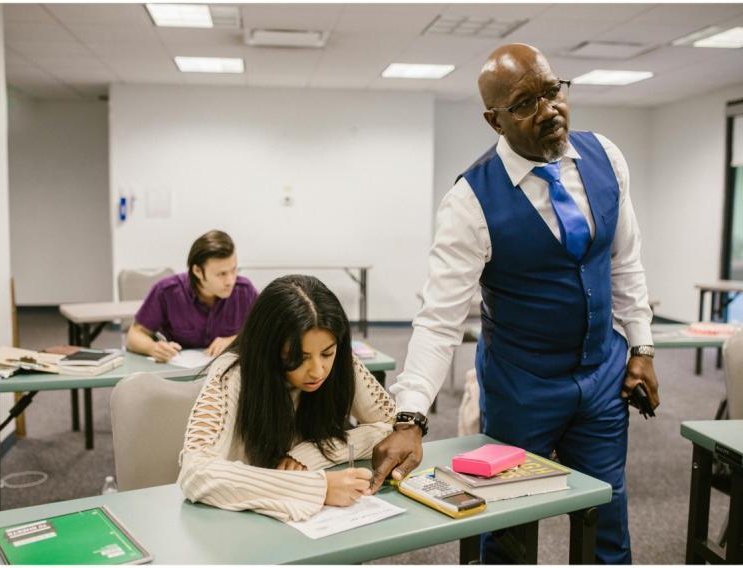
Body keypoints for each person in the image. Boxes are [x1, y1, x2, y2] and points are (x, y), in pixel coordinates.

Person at [370, 43, 659, 564]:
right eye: (526, 103)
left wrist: (642, 346)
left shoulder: (606, 158)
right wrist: (409, 417)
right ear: (494, 121)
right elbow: (439, 320)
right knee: (505, 525)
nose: (549, 109)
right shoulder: (470, 201)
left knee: (607, 515)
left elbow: (624, 263)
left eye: (553, 90)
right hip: (521, 385)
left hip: (602, 378)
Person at [177, 275, 397, 521]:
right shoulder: (233, 372)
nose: (317, 370)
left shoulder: (339, 359)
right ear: (269, 349)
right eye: (299, 357)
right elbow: (196, 472)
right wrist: (318, 488)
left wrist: (311, 453)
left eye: (327, 353)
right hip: (243, 522)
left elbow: (393, 427)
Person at [126, 230, 258, 362]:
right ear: (198, 271)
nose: (230, 281)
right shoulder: (167, 292)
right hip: (180, 374)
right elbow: (134, 336)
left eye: (234, 270)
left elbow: (266, 331)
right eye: (221, 274)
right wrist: (153, 348)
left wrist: (234, 340)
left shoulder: (244, 291)